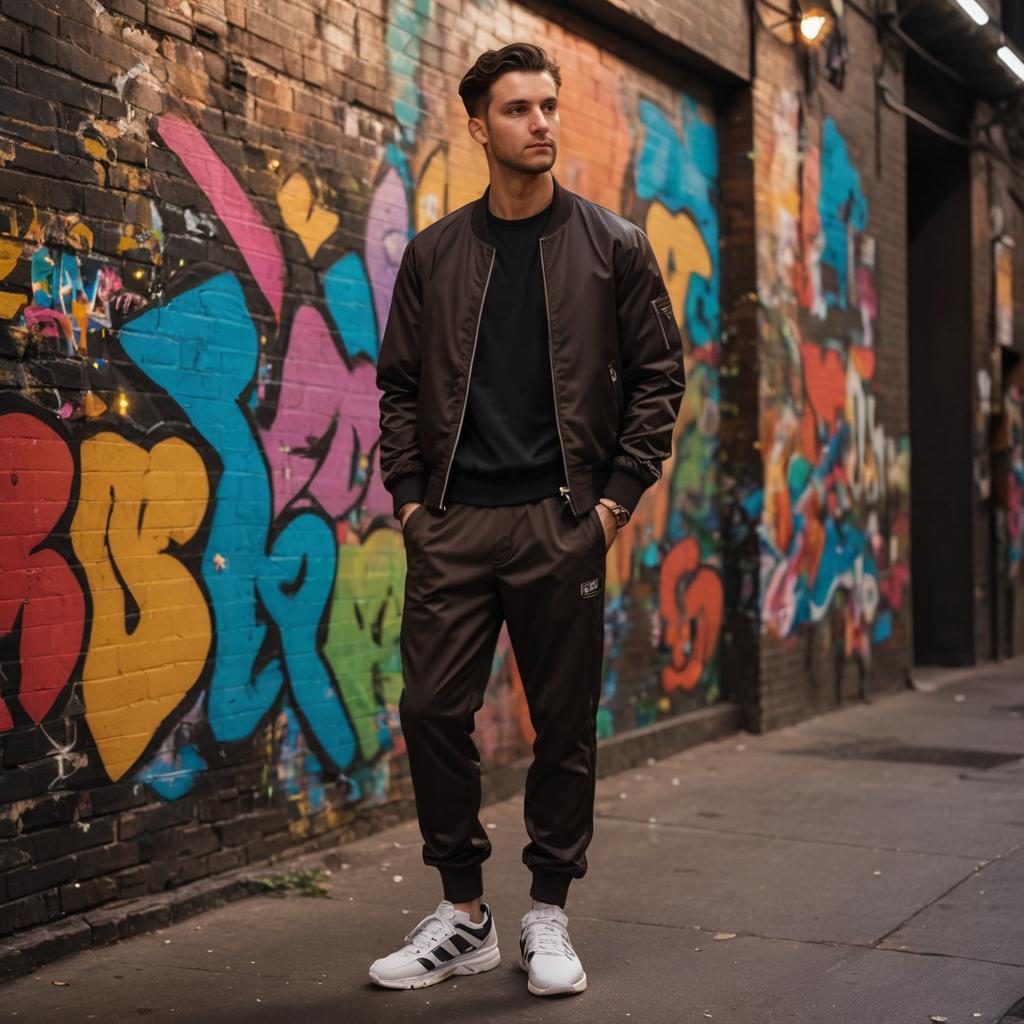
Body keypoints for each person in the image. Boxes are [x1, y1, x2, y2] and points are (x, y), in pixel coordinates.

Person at [369, 41, 685, 997]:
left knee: (562, 726)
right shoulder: (434, 254)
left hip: (562, 526)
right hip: (455, 524)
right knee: (430, 709)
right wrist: (414, 501)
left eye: (549, 106)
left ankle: (548, 909)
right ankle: (463, 914)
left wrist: (614, 504)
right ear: (478, 126)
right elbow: (398, 388)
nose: (541, 122)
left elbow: (660, 378)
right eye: (518, 109)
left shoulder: (614, 246)